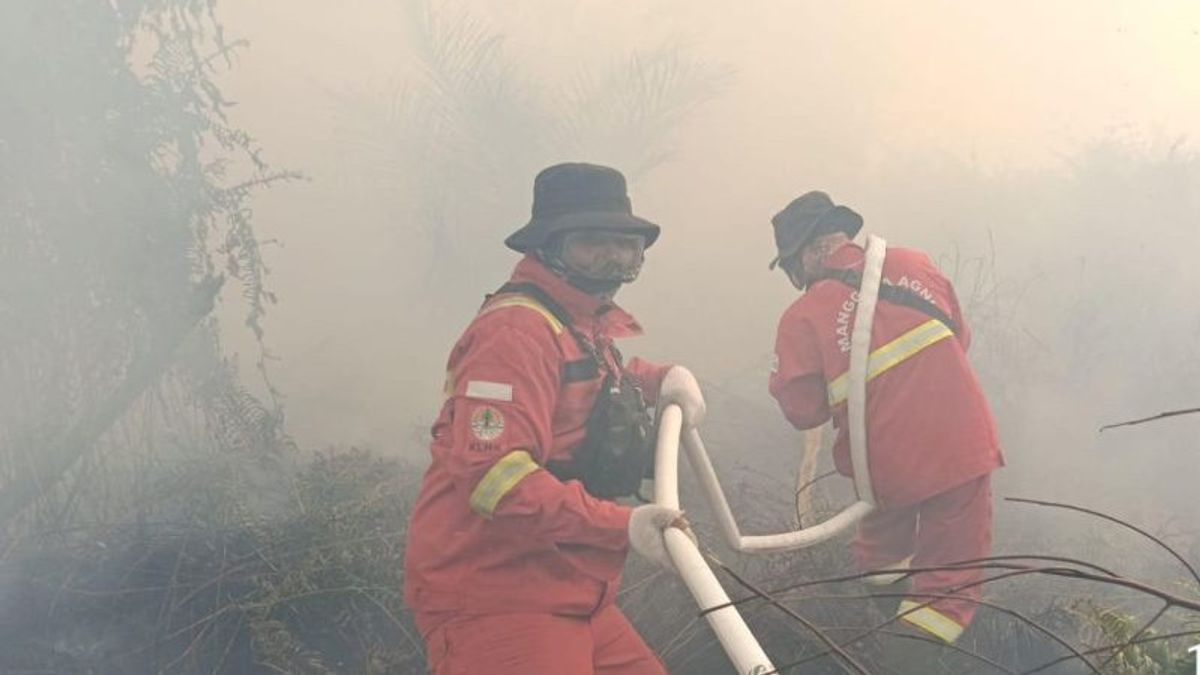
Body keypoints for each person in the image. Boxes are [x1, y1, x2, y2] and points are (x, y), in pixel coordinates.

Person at [404, 162, 705, 674]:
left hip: (570, 591)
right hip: (496, 597)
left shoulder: (576, 323)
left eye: (626, 244)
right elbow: (492, 477)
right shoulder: (515, 332)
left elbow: (579, 386)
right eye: (592, 242)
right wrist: (622, 525)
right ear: (547, 247)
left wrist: (657, 378)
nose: (613, 258)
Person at [766, 191, 1004, 644]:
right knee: (948, 584)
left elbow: (802, 411)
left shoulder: (801, 316)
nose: (797, 281)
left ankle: (889, 648)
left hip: (883, 471)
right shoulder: (915, 264)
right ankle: (918, 649)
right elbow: (961, 337)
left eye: (792, 268)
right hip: (962, 447)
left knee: (880, 561)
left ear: (812, 252)